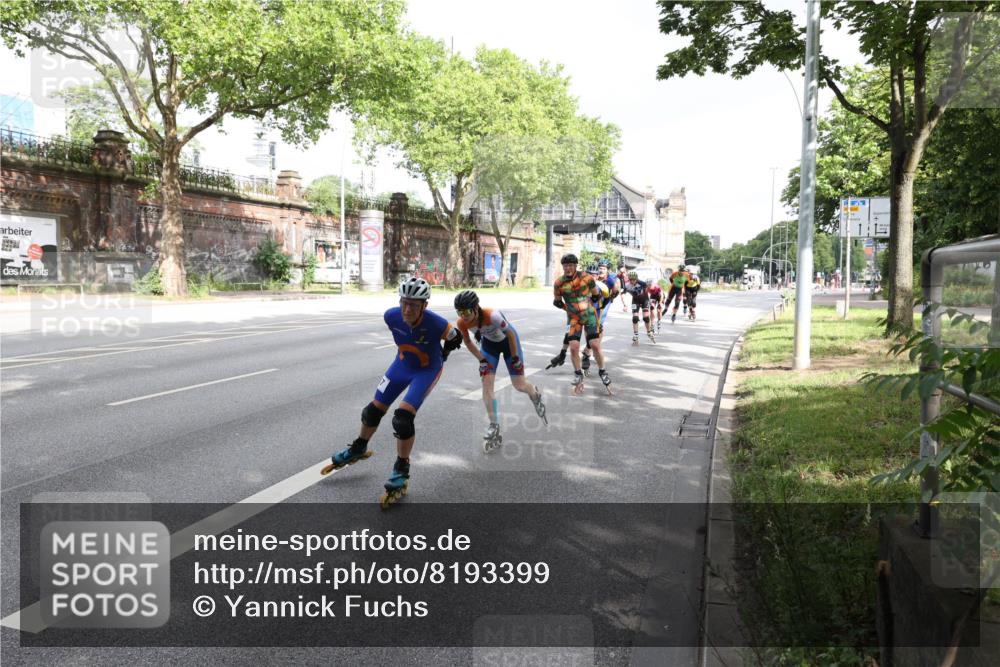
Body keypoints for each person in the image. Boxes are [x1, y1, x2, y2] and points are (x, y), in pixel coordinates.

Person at [321, 277, 463, 509]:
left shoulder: (437, 324)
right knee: (372, 411)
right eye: (404, 303)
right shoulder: (391, 316)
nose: (407, 309)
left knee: (402, 419)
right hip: (402, 365)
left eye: (414, 305)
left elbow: (455, 337)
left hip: (426, 371)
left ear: (424, 306)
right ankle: (359, 447)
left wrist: (444, 354)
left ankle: (401, 468)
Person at [453, 290, 546, 452]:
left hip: (509, 344)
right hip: (490, 348)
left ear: (476, 308)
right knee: (486, 385)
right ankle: (494, 424)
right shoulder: (462, 323)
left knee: (519, 385)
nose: (464, 316)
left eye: (467, 311)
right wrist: (481, 360)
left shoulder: (492, 315)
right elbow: (467, 342)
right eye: (460, 312)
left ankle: (535, 394)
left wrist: (516, 357)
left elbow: (510, 335)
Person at [553, 253, 611, 394]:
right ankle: (578, 374)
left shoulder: (586, 278)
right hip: (574, 318)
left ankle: (602, 371)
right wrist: (568, 309)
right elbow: (557, 301)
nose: (568, 268)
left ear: (575, 266)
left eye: (570, 265)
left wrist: (588, 304)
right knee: (573, 348)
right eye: (565, 266)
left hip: (590, 316)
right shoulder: (559, 283)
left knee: (595, 345)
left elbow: (596, 294)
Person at [622, 270, 655, 344]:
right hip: (635, 301)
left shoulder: (642, 283)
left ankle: (649, 331)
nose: (632, 281)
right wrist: (624, 304)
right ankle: (635, 335)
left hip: (644, 300)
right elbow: (622, 294)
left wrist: (652, 300)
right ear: (629, 279)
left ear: (637, 279)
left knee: (646, 318)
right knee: (635, 318)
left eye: (634, 279)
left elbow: (650, 288)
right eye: (631, 280)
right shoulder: (627, 285)